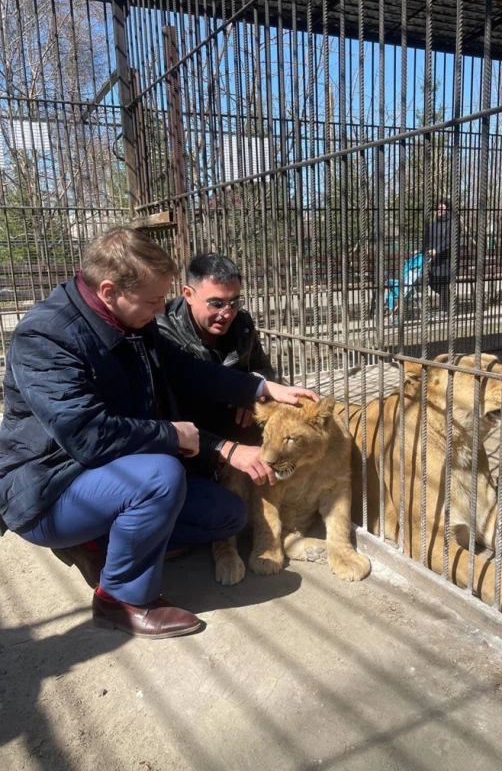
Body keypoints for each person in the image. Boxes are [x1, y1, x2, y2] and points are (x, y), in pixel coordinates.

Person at [0, 228, 318, 640]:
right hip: (51, 487)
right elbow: (86, 436)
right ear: (110, 290)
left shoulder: (134, 321)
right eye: (153, 300)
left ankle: (96, 543)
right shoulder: (46, 337)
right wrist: (215, 444)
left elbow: (187, 369)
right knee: (158, 477)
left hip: (112, 469)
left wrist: (261, 387)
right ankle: (122, 600)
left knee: (227, 516)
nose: (159, 310)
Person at [156, 253, 276, 472]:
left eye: (234, 302)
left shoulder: (242, 323)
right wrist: (240, 389)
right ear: (188, 294)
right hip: (193, 440)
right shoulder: (162, 330)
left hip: (241, 428)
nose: (227, 313)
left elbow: (263, 368)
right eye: (216, 303)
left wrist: (251, 387)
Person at [423, 198, 456, 318]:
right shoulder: (434, 223)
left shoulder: (452, 223)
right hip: (434, 259)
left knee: (442, 283)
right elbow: (427, 239)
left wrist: (437, 250)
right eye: (438, 208)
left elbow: (449, 240)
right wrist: (421, 249)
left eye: (442, 208)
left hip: (446, 258)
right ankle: (448, 302)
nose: (439, 211)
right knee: (432, 281)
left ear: (447, 209)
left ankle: (444, 310)